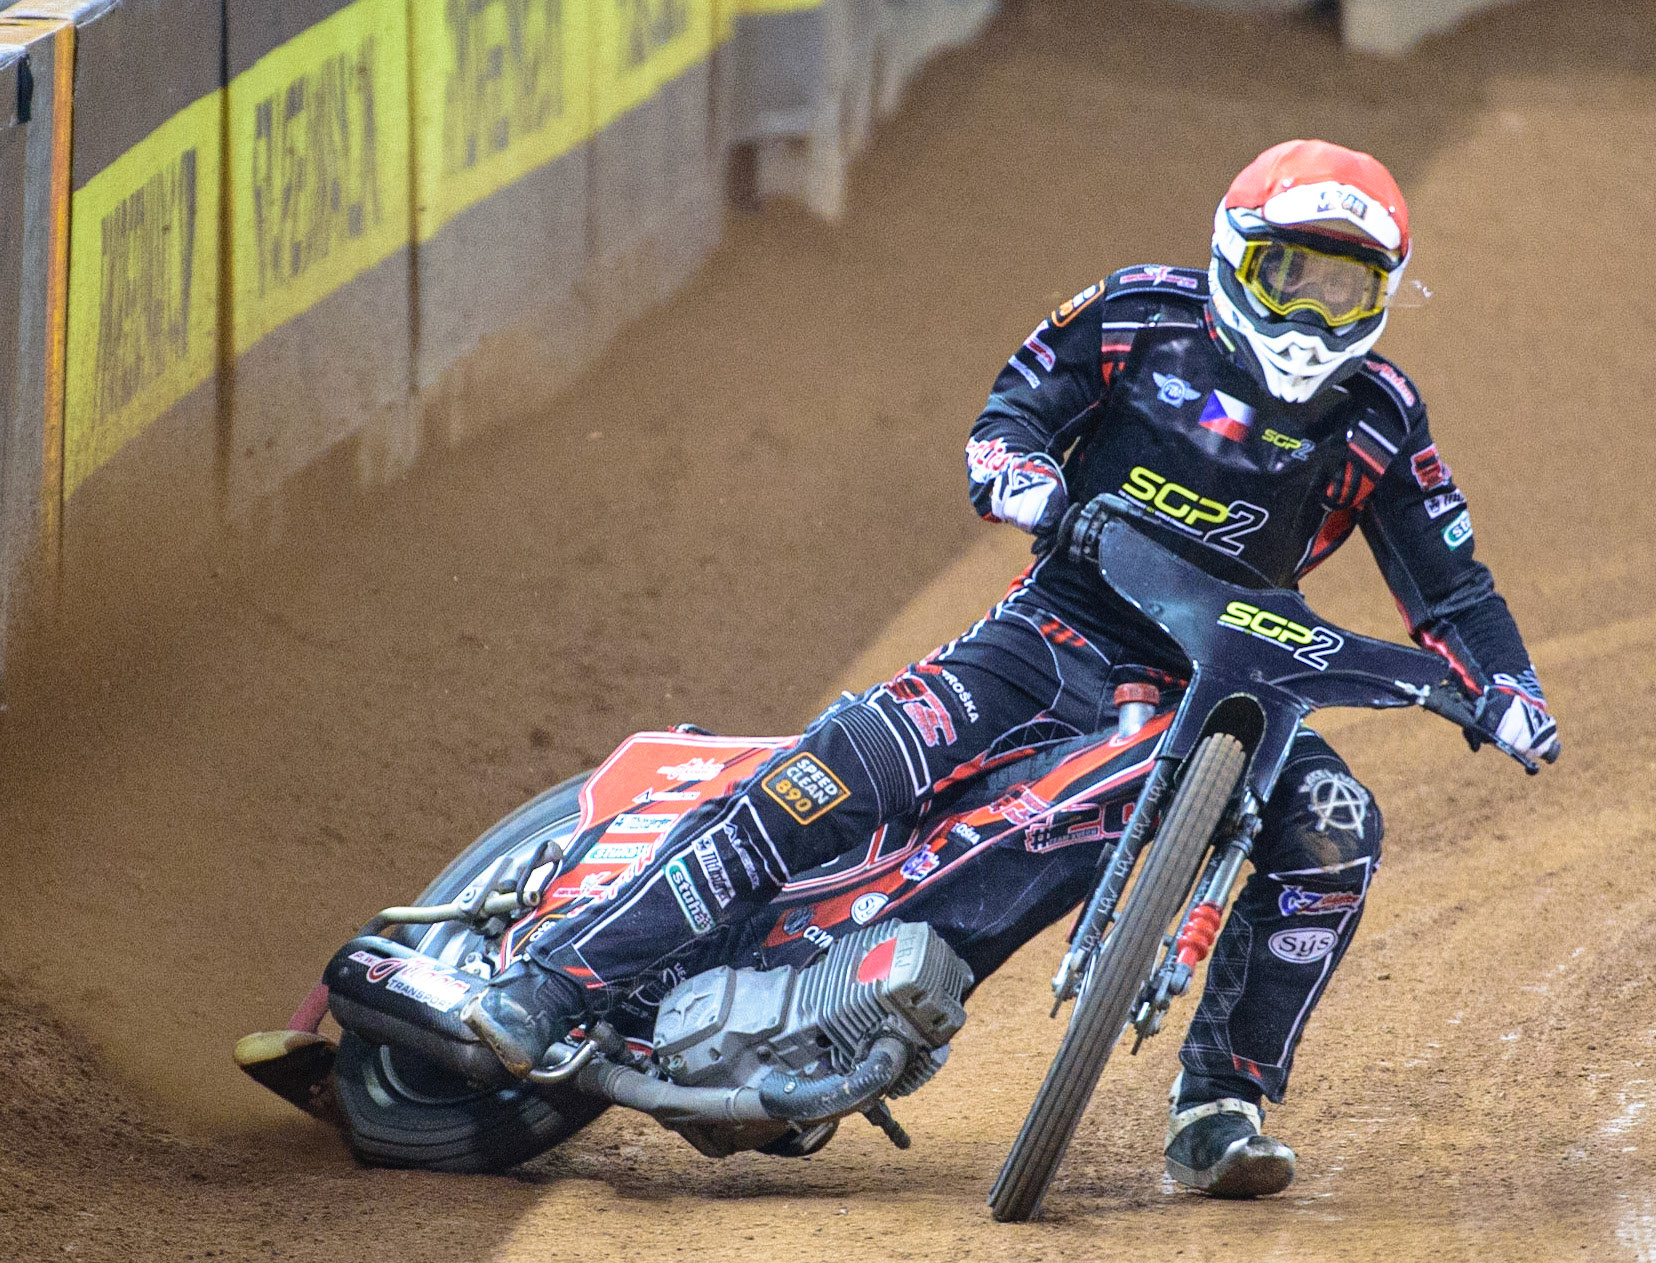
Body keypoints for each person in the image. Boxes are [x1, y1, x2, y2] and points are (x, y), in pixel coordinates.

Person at [464, 139, 1559, 1198]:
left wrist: (1505, 687)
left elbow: (1453, 590)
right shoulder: (1140, 314)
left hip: (1223, 683)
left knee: (1334, 823)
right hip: (1050, 636)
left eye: (1344, 284)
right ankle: (550, 983)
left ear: (1385, 291)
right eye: (1292, 273)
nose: (1313, 310)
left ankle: (1221, 1108)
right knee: (842, 772)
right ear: (1234, 253)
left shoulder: (1380, 419)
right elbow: (1013, 414)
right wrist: (1022, 478)